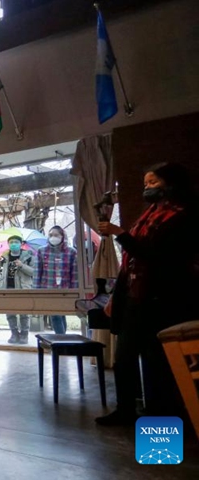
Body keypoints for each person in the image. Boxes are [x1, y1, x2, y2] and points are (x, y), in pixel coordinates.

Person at [95, 162, 199, 425]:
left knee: (157, 366)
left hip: (162, 300)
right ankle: (125, 411)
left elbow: (155, 256)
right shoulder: (148, 214)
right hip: (134, 297)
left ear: (170, 184)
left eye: (153, 182)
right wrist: (116, 297)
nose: (148, 188)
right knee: (124, 359)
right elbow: (130, 260)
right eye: (145, 184)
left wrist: (119, 233)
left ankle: (162, 429)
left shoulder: (182, 217)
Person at [34, 226, 78, 333]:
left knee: (61, 314)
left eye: (56, 235)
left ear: (62, 237)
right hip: (48, 290)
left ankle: (62, 341)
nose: (53, 237)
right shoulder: (41, 251)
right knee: (55, 315)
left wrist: (75, 292)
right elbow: (37, 272)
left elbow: (75, 274)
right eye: (50, 235)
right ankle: (62, 341)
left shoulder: (71, 252)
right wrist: (36, 291)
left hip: (64, 290)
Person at [0, 236, 36, 344]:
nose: (13, 244)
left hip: (22, 288)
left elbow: (34, 272)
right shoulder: (4, 257)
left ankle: (24, 334)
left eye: (16, 242)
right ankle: (14, 333)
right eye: (11, 242)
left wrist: (22, 266)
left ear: (21, 244)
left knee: (24, 312)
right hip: (7, 288)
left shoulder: (28, 256)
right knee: (10, 313)